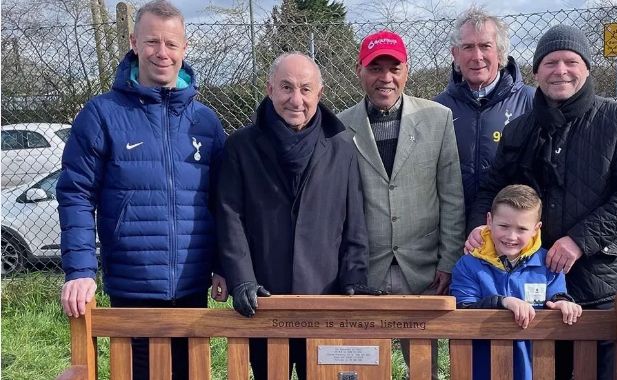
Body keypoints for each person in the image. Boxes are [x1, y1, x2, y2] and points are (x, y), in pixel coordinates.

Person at [465, 25, 617, 379]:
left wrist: (580, 241)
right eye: (550, 62)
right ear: (536, 71)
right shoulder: (520, 130)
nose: (561, 70)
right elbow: (491, 188)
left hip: (596, 282)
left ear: (586, 67)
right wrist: (480, 222)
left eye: (571, 61)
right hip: (531, 284)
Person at [57, 1, 227, 379]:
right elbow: (76, 193)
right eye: (152, 42)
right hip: (132, 287)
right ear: (134, 42)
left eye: (171, 43)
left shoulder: (206, 121)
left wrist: (221, 263)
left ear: (185, 48)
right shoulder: (101, 114)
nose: (161, 53)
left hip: (192, 284)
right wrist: (80, 270)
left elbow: (221, 201)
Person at [215, 52, 381, 380]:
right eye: (286, 88)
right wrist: (241, 278)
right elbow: (228, 215)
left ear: (319, 93)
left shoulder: (342, 145)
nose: (296, 99)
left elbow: (354, 222)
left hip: (324, 297)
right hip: (263, 298)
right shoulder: (240, 147)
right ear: (269, 89)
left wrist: (354, 280)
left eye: (306, 89)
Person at [338, 30, 465, 380]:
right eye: (375, 68)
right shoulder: (340, 126)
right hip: (366, 270)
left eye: (393, 68)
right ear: (359, 71)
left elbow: (452, 196)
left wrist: (449, 260)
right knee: (360, 368)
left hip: (424, 270)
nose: (385, 78)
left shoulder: (437, 119)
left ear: (406, 70)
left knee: (423, 369)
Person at [452, 184, 582, 380]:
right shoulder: (468, 264)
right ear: (489, 220)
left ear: (536, 229)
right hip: (480, 369)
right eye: (503, 226)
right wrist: (504, 302)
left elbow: (557, 295)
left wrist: (564, 303)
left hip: (532, 368)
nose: (511, 236)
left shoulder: (548, 264)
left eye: (522, 229)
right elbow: (463, 307)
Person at [433, 7, 534, 225]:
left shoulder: (532, 103)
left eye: (485, 46)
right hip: (454, 231)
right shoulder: (437, 109)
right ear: (455, 54)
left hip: (513, 234)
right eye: (468, 47)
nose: (476, 56)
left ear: (500, 53)